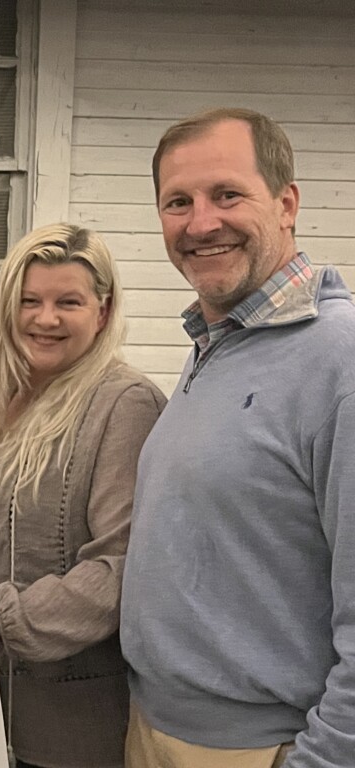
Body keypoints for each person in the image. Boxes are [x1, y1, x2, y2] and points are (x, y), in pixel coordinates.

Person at [120, 108, 355, 767]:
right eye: (177, 202)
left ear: (286, 203)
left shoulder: (338, 361)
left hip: (261, 749)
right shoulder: (219, 343)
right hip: (157, 728)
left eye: (227, 195)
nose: (201, 223)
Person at [0, 223, 165, 768]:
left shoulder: (125, 404)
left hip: (73, 724)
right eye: (29, 301)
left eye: (68, 301)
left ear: (104, 310)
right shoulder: (2, 400)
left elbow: (122, 568)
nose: (45, 319)